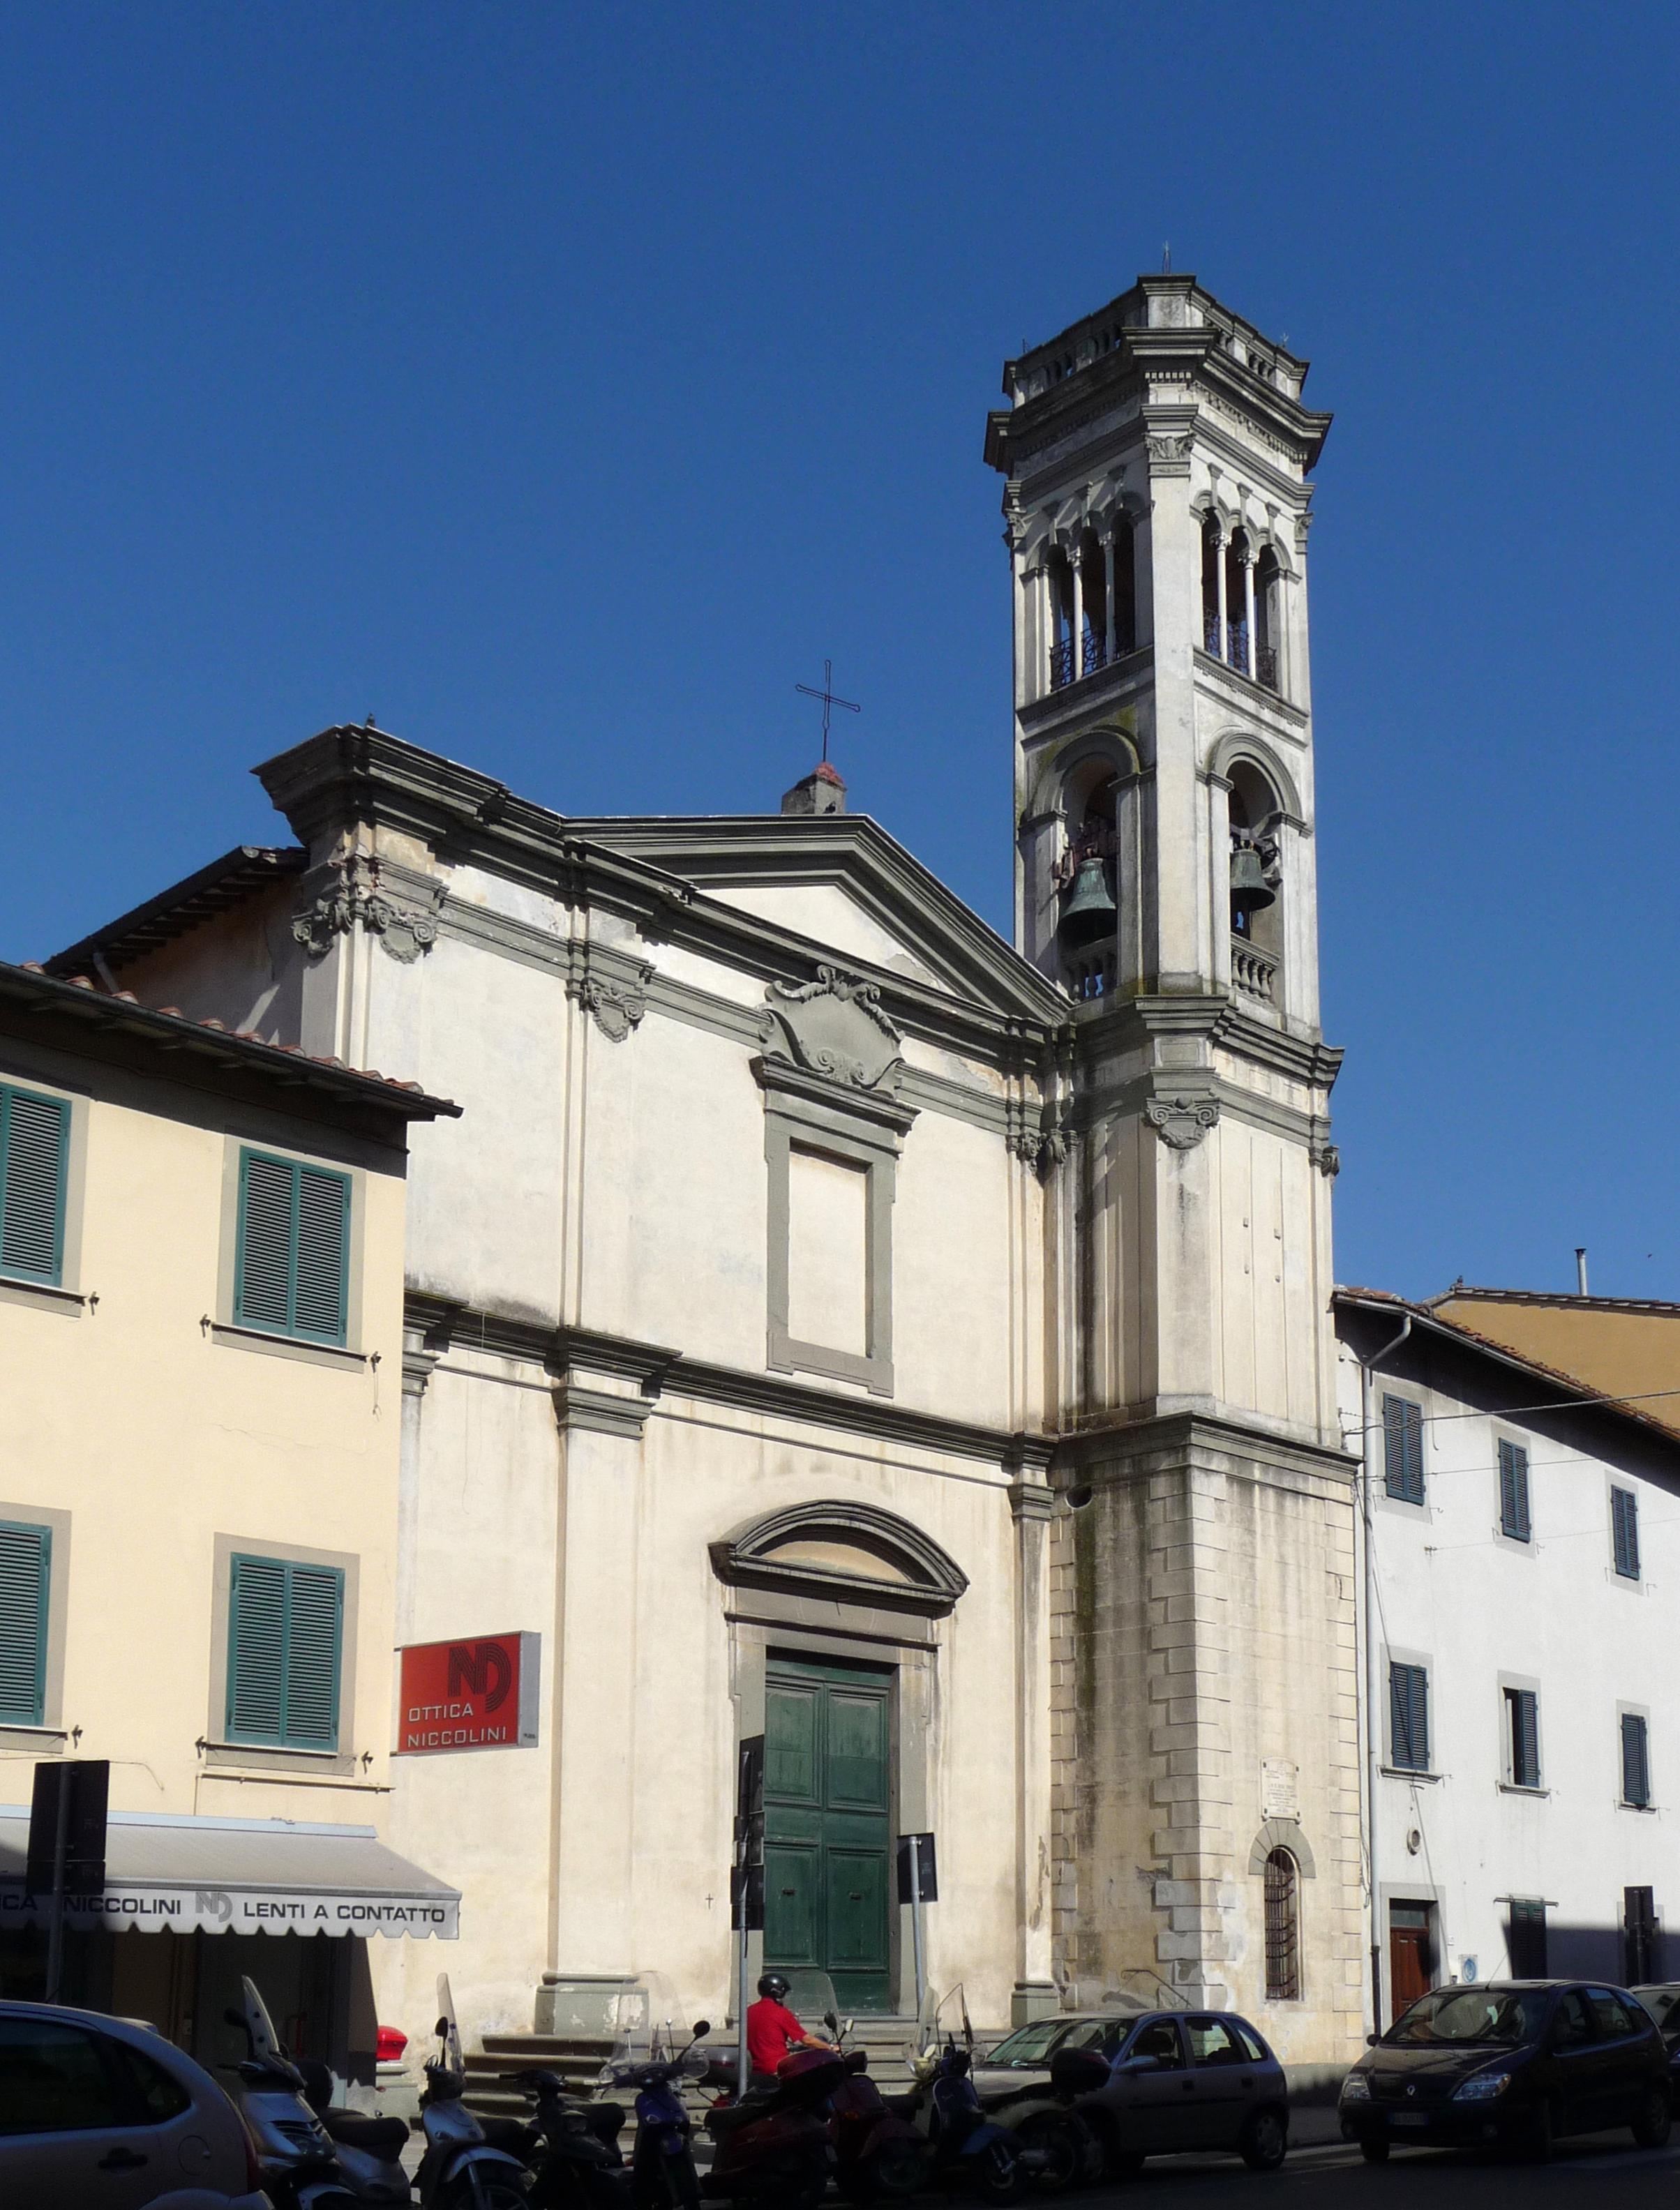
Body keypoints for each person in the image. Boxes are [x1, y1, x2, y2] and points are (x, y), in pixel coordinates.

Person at [745, 1972, 830, 2089]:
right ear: (778, 1993)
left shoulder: (749, 2011)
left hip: (754, 2069)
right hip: (777, 2068)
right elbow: (807, 2040)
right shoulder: (780, 2012)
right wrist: (830, 2047)